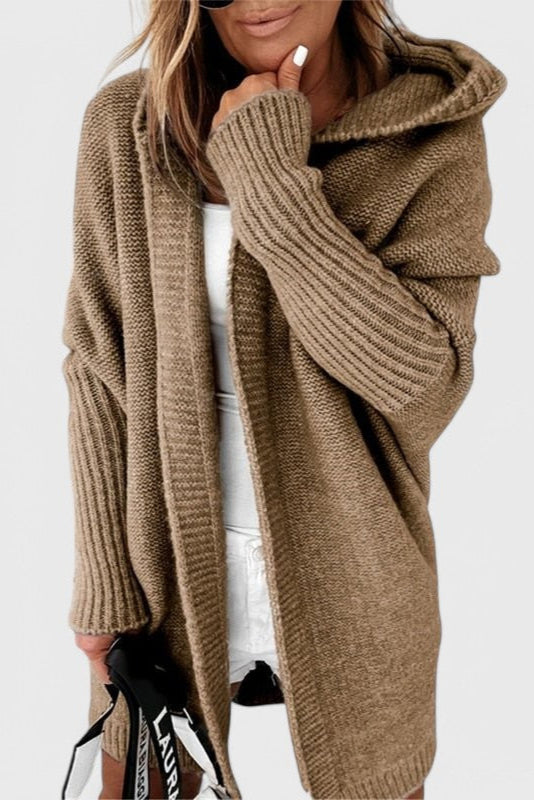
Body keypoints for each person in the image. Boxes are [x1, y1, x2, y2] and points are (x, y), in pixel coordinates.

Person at [61, 1, 507, 798]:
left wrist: (269, 179)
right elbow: (99, 362)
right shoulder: (129, 125)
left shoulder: (429, 132)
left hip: (360, 576)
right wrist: (104, 582)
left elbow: (422, 384)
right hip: (166, 572)